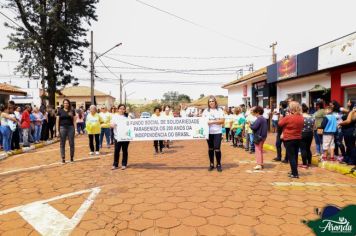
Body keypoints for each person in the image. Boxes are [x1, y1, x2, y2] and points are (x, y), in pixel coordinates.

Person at [278, 101, 304, 178]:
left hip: (289, 138)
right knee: (295, 156)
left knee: (291, 156)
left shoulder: (288, 117)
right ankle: (294, 171)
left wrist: (282, 116)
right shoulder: (301, 117)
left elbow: (280, 124)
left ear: (291, 109)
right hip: (298, 138)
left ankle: (295, 173)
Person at [202, 96, 225, 172]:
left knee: (217, 148)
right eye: (210, 101)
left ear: (215, 102)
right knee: (210, 148)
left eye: (213, 101)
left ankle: (218, 164)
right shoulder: (206, 111)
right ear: (208, 103)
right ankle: (211, 164)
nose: (211, 102)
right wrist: (216, 120)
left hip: (217, 132)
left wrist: (212, 122)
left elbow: (222, 121)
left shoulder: (219, 110)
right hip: (208, 132)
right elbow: (202, 121)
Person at [56, 99, 77, 163]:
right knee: (62, 143)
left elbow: (74, 121)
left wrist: (75, 129)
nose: (66, 104)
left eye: (67, 103)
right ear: (63, 104)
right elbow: (57, 121)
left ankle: (71, 158)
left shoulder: (72, 111)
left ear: (69, 104)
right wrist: (57, 131)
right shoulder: (60, 111)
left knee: (71, 143)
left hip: (71, 128)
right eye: (65, 103)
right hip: (62, 128)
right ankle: (63, 158)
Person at [111, 104, 130, 170]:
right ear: (118, 109)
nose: (122, 110)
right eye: (120, 108)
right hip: (117, 137)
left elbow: (131, 125)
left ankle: (124, 164)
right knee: (116, 151)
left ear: (125, 110)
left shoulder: (127, 117)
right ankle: (115, 164)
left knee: (125, 150)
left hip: (126, 137)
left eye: (123, 109)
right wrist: (112, 125)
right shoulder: (114, 116)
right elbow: (111, 124)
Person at [250, 106, 268, 170]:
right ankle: (261, 163)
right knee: (260, 150)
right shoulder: (263, 118)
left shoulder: (259, 119)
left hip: (259, 136)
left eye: (255, 112)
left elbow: (254, 127)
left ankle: (259, 164)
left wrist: (250, 125)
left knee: (258, 150)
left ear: (258, 112)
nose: (254, 113)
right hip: (263, 136)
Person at [300, 104, 315, 168]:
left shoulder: (300, 117)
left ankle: (304, 163)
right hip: (310, 133)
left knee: (303, 149)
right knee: (308, 148)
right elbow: (314, 127)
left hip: (302, 133)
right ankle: (309, 162)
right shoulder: (312, 117)